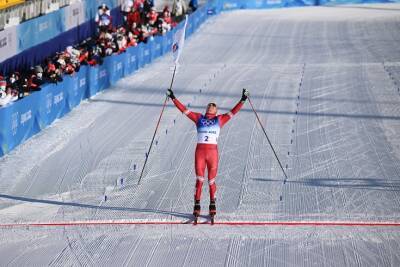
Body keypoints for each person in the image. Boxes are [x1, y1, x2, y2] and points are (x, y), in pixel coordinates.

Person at [167, 88, 249, 219]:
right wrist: (173, 97)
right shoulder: (198, 117)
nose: (211, 106)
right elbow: (183, 110)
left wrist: (243, 99)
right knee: (200, 180)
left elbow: (233, 112)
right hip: (200, 153)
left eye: (214, 106)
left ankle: (212, 204)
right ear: (206, 109)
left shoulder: (220, 119)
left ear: (216, 111)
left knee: (211, 181)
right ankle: (197, 205)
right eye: (209, 105)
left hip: (212, 154)